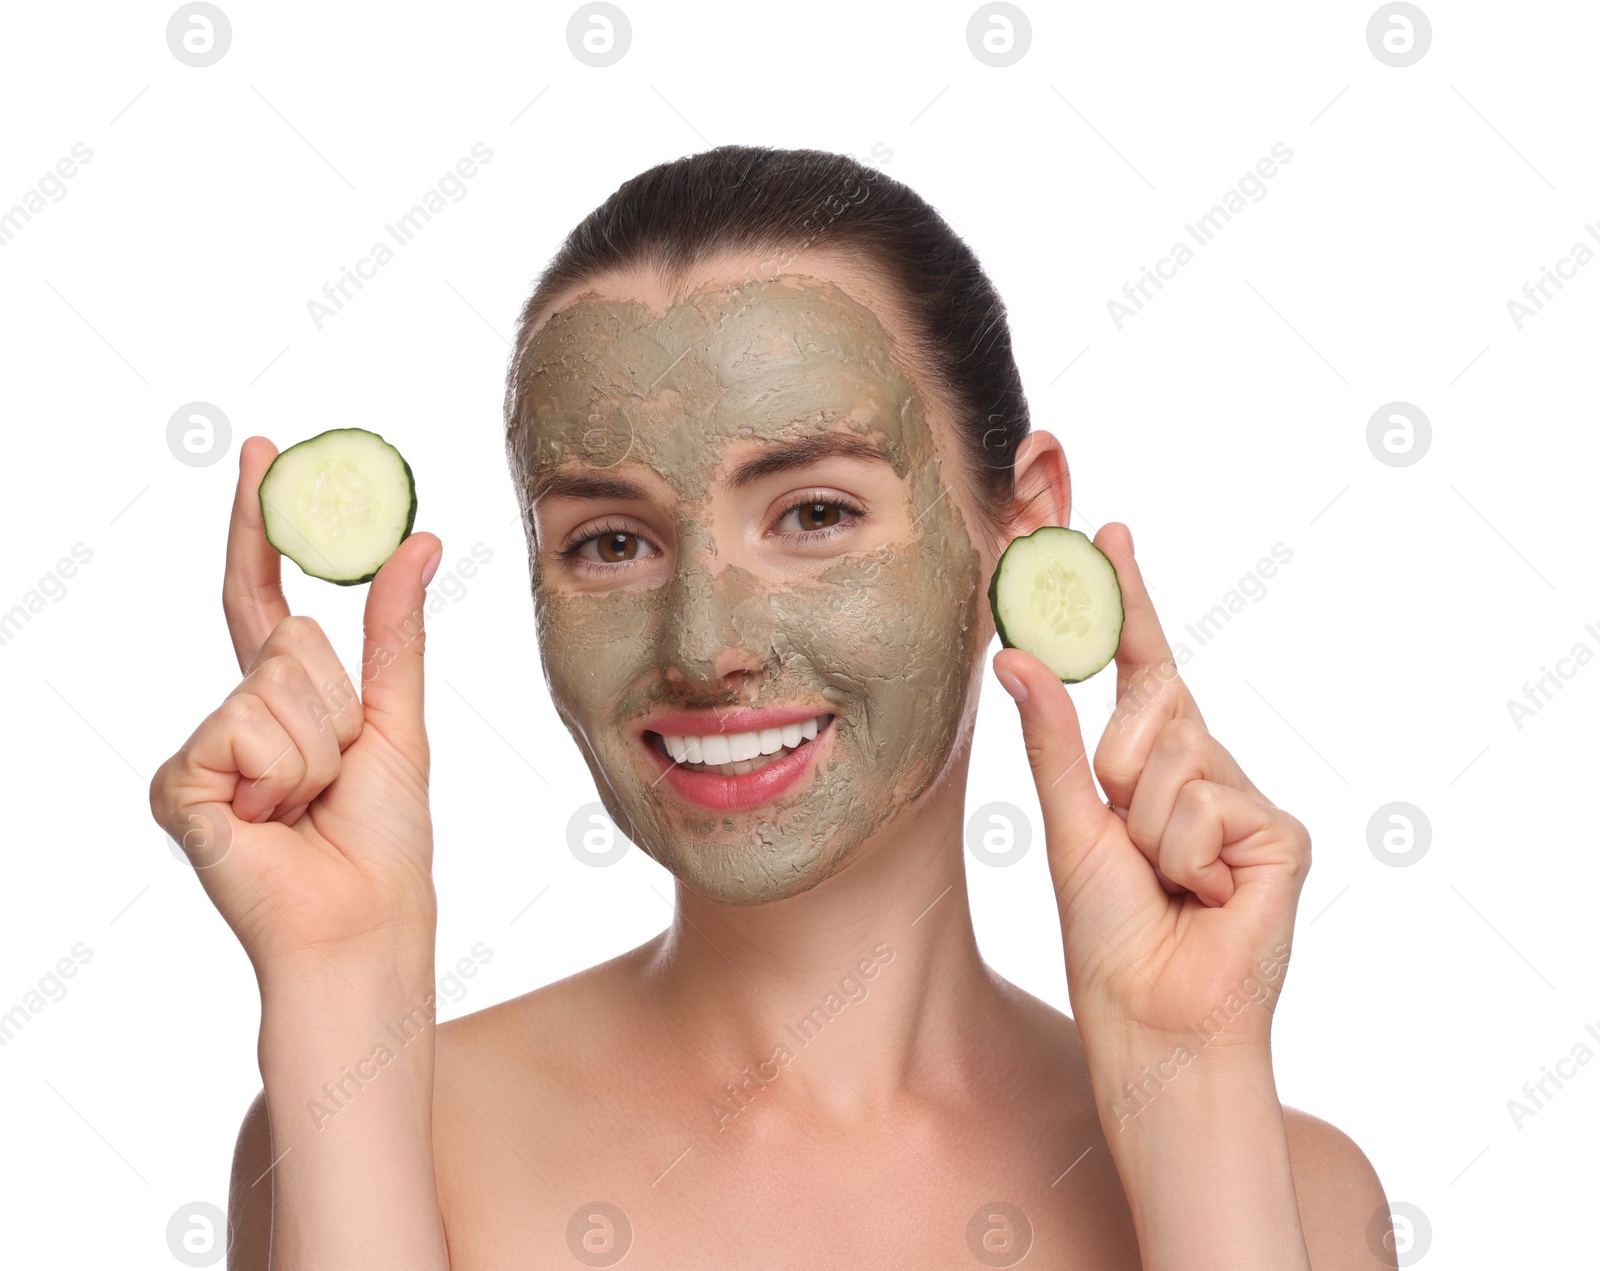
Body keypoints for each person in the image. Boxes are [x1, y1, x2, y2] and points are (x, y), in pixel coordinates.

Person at [150, 145, 1391, 1268]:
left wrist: (1192, 1081)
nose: (704, 647)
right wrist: (338, 976)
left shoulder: (1299, 1193)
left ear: (1018, 527)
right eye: (611, 541)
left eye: (814, 514)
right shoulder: (379, 1121)